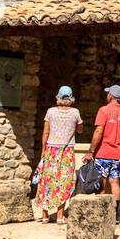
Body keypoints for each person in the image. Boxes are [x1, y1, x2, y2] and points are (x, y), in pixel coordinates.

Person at [85, 84, 120, 223]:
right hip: (117, 154)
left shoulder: (103, 110)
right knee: (114, 183)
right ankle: (116, 215)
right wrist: (119, 140)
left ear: (111, 96)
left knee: (102, 182)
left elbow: (99, 131)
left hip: (103, 153)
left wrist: (90, 151)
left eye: (108, 94)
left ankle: (101, 213)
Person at [37, 85, 83, 225]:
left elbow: (45, 133)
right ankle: (60, 215)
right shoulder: (75, 113)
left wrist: (43, 150)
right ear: (71, 98)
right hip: (67, 152)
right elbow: (80, 130)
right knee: (63, 181)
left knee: (47, 180)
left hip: (51, 150)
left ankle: (44, 215)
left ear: (58, 97)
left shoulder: (50, 112)